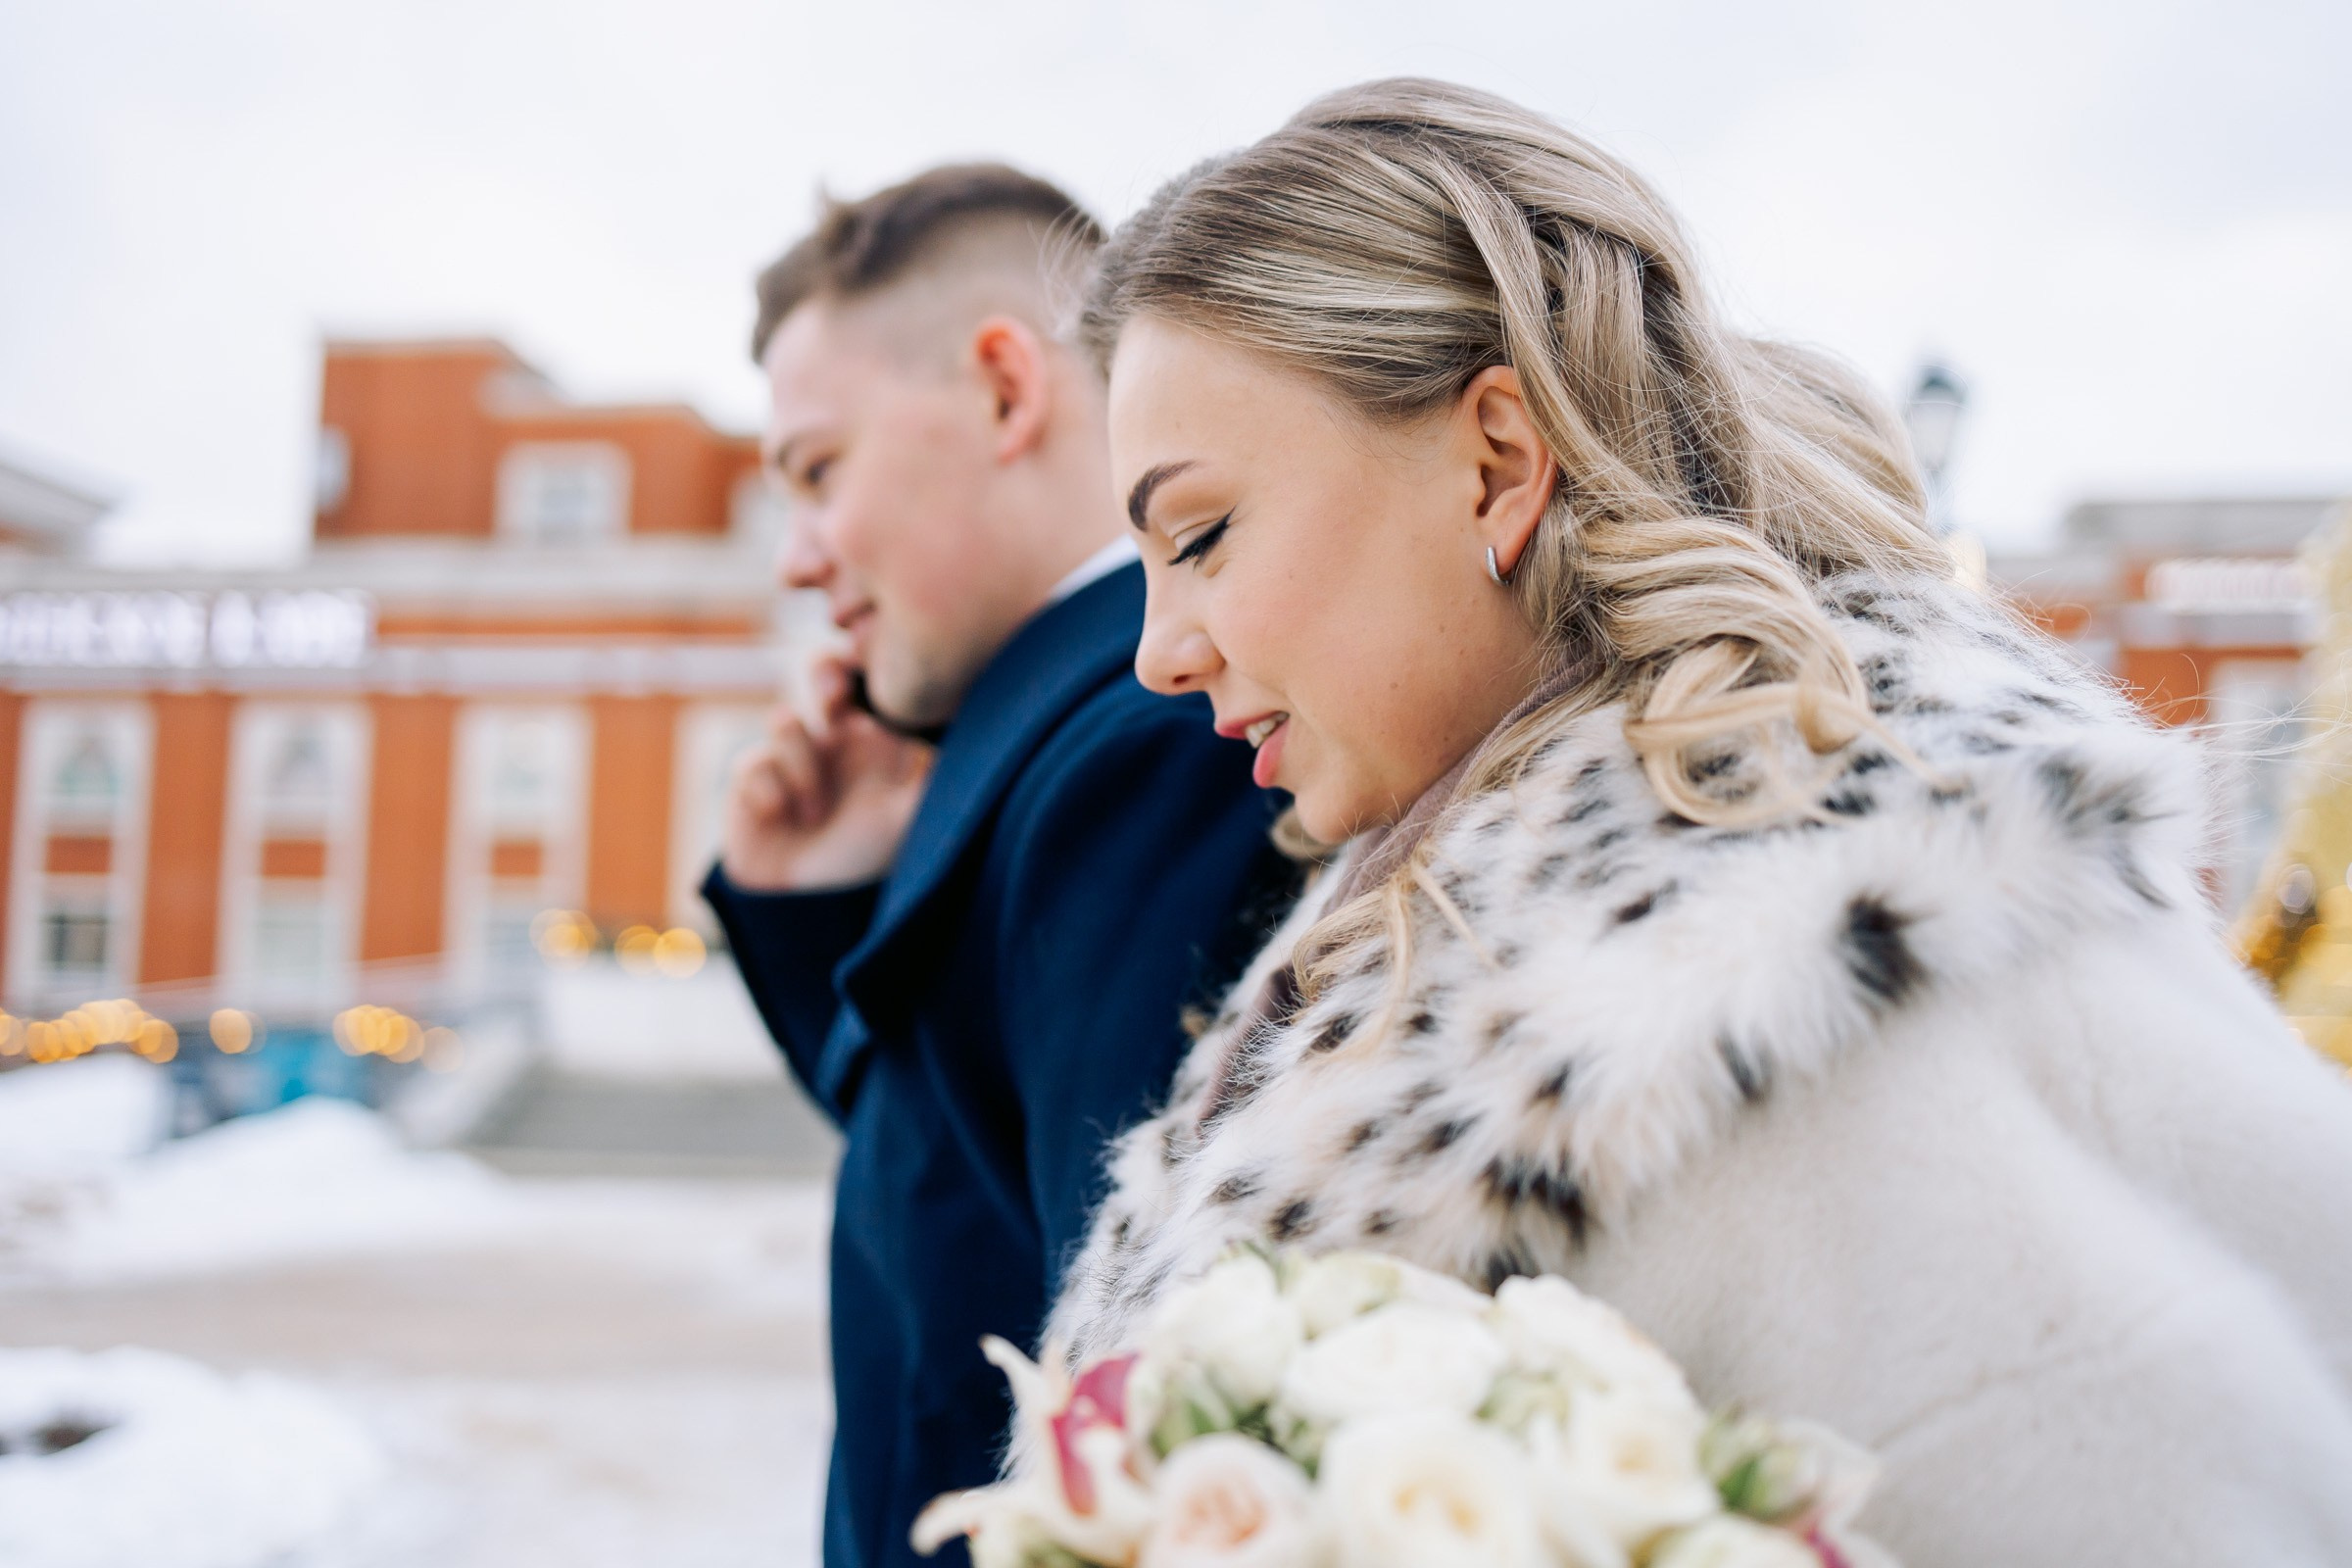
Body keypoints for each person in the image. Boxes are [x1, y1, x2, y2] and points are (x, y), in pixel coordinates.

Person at [1046, 79, 2352, 1564]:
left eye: (1202, 535)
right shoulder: (1497, 928)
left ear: (1496, 459)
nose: (1158, 651)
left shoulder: (1801, 992)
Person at [705, 165, 1291, 1568]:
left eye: (817, 470)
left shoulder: (1145, 748)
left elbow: (1122, 1383)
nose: (799, 559)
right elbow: (957, 1188)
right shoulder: (1065, 747)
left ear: (1005, 390)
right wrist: (821, 908)